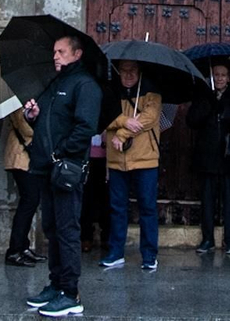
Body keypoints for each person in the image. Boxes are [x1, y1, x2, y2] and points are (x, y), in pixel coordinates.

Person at [24, 34, 103, 318]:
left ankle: (70, 292)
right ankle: (55, 284)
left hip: (66, 168)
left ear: (77, 54)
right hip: (46, 166)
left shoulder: (86, 86)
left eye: (61, 51)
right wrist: (31, 115)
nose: (55, 56)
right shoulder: (54, 83)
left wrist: (61, 150)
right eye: (54, 51)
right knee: (51, 228)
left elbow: (85, 128)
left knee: (68, 230)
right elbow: (44, 119)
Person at [101, 59, 163, 272]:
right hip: (117, 160)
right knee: (117, 208)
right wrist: (123, 122)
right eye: (124, 71)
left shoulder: (151, 91)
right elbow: (102, 117)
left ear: (140, 72)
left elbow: (150, 118)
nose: (128, 75)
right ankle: (116, 252)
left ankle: (149, 255)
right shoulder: (109, 91)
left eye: (133, 71)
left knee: (147, 207)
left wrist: (123, 132)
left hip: (145, 159)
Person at [188, 60, 230, 255]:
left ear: (229, 76)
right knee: (207, 200)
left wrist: (226, 111)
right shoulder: (203, 95)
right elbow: (191, 121)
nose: (220, 78)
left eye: (223, 75)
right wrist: (208, 105)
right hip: (207, 157)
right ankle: (207, 239)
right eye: (216, 75)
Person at [3, 106, 43, 266]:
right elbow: (25, 127)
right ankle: (14, 250)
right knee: (29, 201)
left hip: (26, 158)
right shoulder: (15, 99)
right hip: (20, 157)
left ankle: (22, 247)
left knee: (30, 201)